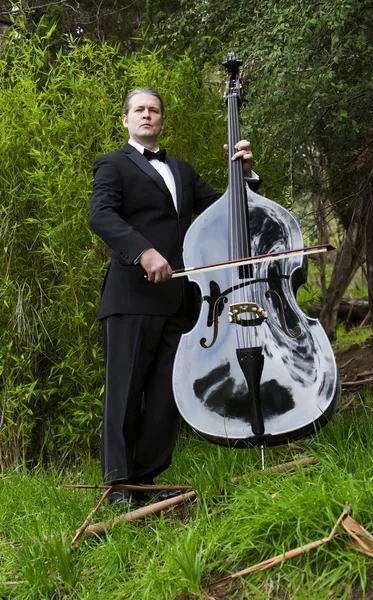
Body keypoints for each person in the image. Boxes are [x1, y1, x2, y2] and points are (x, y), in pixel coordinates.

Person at [89, 87, 259, 508]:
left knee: (167, 395)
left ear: (163, 120)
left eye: (155, 110)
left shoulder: (181, 170)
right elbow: (101, 215)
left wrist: (246, 175)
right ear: (125, 119)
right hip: (130, 297)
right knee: (124, 393)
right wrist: (143, 251)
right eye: (139, 110)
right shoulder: (112, 164)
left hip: (181, 302)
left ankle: (146, 481)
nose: (147, 115)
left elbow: (226, 210)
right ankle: (119, 488)